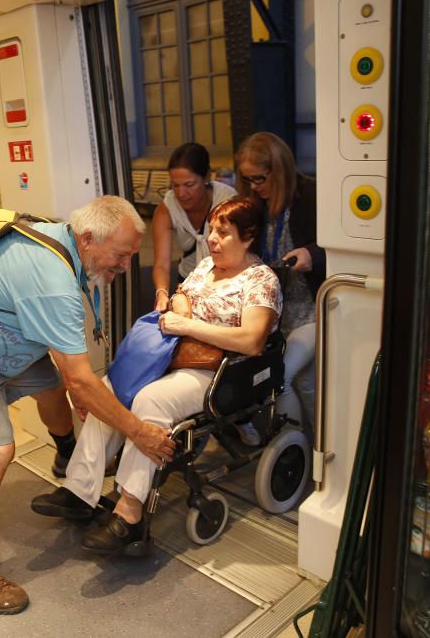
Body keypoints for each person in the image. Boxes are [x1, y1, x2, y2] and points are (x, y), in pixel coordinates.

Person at [0, 195, 177, 614]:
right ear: (90, 238)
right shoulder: (52, 279)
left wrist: (79, 387)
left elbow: (72, 378)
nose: (126, 266)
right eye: (122, 255)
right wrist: (139, 431)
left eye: (132, 256)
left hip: (7, 340)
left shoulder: (58, 237)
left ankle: (67, 464)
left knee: (53, 387)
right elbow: (81, 377)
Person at [31, 197, 281, 554]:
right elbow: (181, 296)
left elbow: (252, 342)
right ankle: (79, 491)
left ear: (249, 237)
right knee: (111, 388)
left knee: (151, 399)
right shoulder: (205, 267)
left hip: (217, 371)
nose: (212, 239)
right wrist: (179, 304)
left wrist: (188, 324)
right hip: (171, 356)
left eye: (224, 233)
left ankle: (130, 514)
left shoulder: (260, 280)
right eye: (212, 230)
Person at [234, 132, 325, 442]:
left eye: (259, 178)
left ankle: (299, 448)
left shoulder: (312, 195)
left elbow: (339, 247)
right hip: (274, 314)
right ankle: (314, 451)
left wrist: (312, 254)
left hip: (311, 311)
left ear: (280, 169)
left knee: (281, 376)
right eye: (247, 180)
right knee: (306, 383)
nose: (254, 187)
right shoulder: (254, 205)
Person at [151, 142, 237, 312]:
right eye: (175, 185)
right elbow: (161, 263)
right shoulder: (167, 208)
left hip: (226, 282)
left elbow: (240, 254)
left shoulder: (228, 201)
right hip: (187, 281)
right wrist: (161, 293)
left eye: (189, 185)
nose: (181, 193)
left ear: (206, 177)